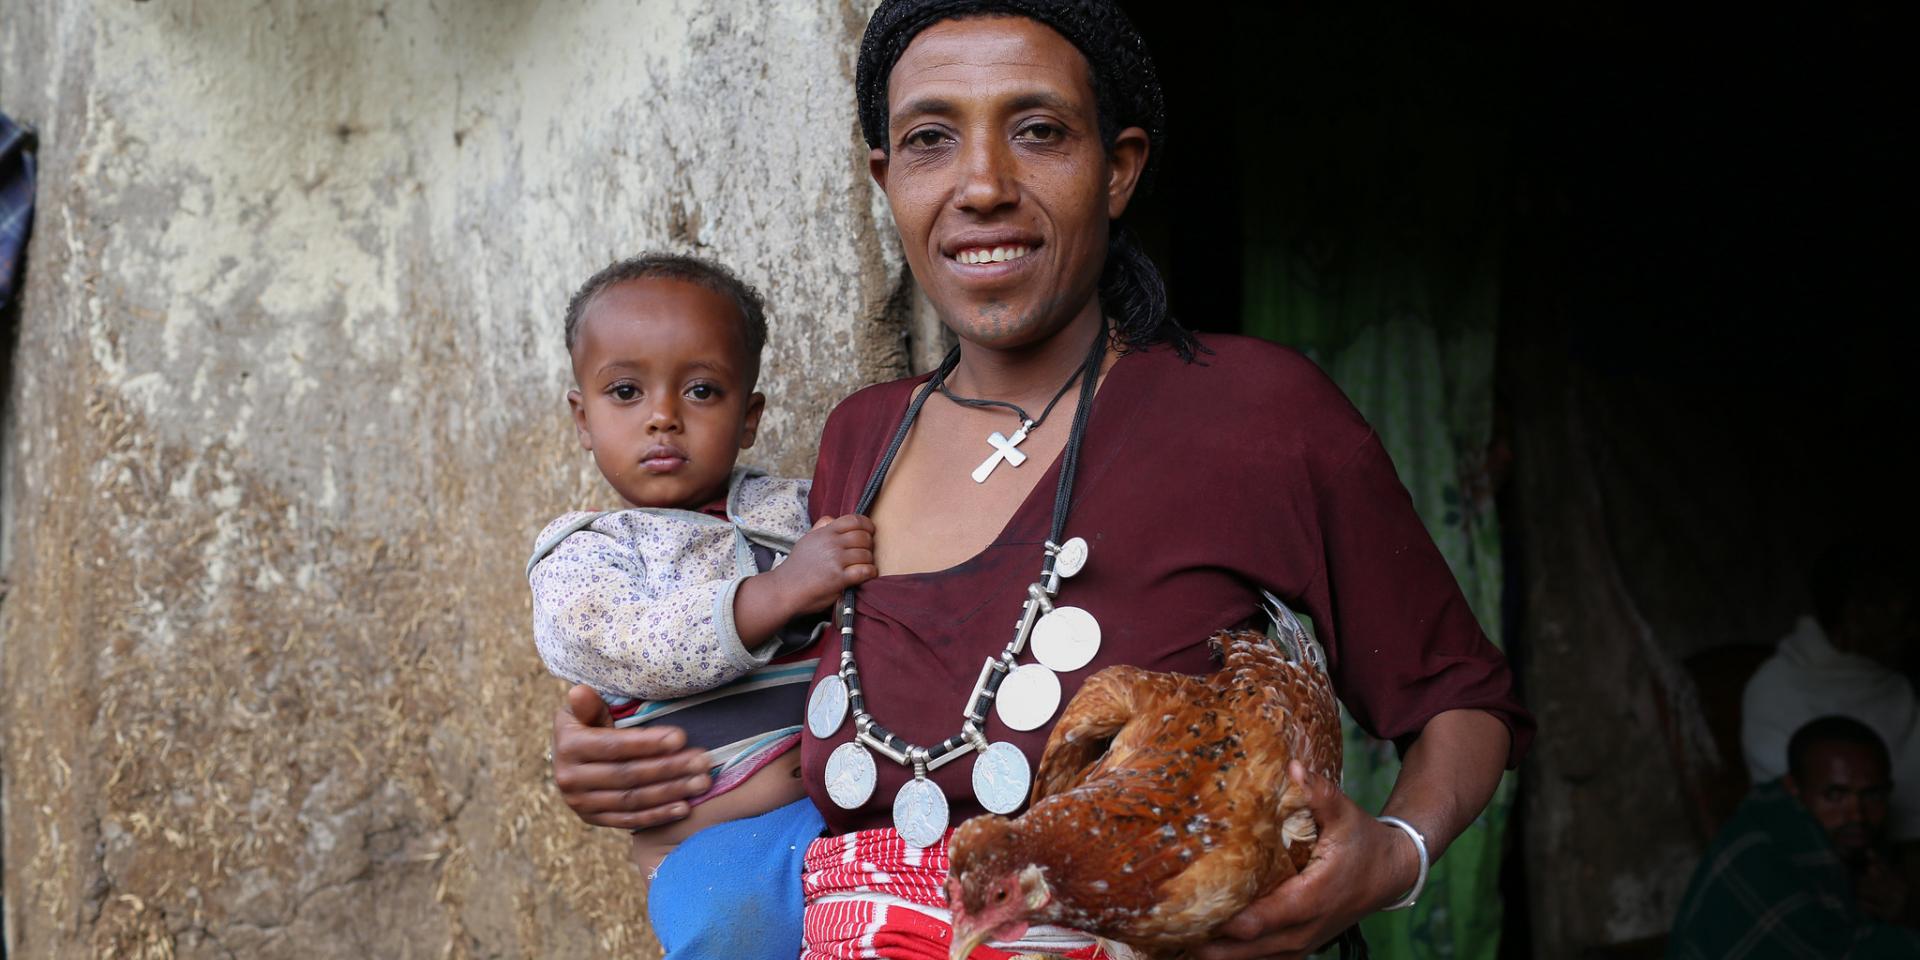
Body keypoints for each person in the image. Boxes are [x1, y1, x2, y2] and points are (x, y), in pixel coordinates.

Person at [549, 3, 1532, 958]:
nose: (982, 184)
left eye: (1038, 130)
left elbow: (1461, 695)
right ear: (888, 180)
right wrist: (628, 756)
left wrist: (1395, 856)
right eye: (932, 140)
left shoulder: (1257, 413)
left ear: (1120, 168)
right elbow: (820, 708)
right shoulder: (862, 439)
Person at [529, 253, 877, 958]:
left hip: (846, 810)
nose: (663, 417)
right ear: (583, 418)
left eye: (702, 392)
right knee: (730, 931)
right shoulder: (586, 551)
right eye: (625, 391)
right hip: (710, 851)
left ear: (748, 418)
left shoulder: (797, 509)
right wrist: (776, 593)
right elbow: (633, 645)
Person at [1670, 716, 1920, 957]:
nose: (1857, 815)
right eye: (1835, 795)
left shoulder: (1853, 854)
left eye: (1872, 795)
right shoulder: (1761, 854)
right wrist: (1908, 916)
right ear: (1793, 788)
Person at [1744, 542, 1920, 840]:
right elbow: (1797, 821)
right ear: (1855, 615)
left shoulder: (1896, 688)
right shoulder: (1776, 690)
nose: (1914, 633)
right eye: (1901, 620)